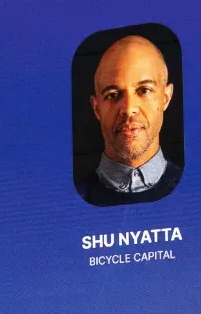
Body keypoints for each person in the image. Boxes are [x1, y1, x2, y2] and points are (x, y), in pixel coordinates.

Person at [78, 32, 181, 206]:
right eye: (113, 95)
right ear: (97, 108)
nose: (128, 109)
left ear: (166, 97)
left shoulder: (199, 190)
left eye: (144, 90)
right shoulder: (69, 201)